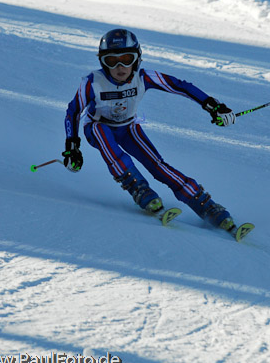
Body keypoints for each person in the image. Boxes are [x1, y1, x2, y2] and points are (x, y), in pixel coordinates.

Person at [62, 28, 237, 231]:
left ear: (137, 59)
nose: (120, 67)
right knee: (102, 132)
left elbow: (181, 86)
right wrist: (72, 146)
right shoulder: (92, 82)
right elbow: (74, 111)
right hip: (97, 127)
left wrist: (213, 106)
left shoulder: (143, 77)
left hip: (128, 127)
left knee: (157, 165)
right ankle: (138, 187)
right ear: (103, 62)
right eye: (112, 60)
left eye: (127, 58)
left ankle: (204, 203)